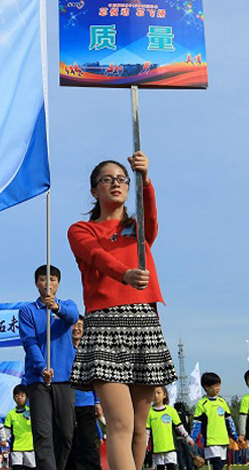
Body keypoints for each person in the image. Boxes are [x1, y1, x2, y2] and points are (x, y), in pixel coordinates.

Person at [68, 152, 176, 470]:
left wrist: (144, 179)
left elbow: (151, 216)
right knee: (120, 422)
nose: (116, 183)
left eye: (121, 179)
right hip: (105, 325)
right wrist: (124, 274)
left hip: (144, 322)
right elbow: (97, 256)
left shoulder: (138, 229)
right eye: (107, 179)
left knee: (139, 429)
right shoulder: (80, 230)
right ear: (93, 190)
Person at [18, 264, 80, 470]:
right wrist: (42, 366)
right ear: (37, 283)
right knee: (43, 433)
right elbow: (29, 342)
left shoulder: (66, 306)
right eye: (43, 279)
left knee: (66, 433)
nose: (48, 283)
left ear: (58, 284)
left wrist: (56, 308)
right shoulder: (27, 310)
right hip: (39, 380)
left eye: (52, 279)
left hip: (64, 379)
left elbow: (73, 316)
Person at [67, 317, 102, 470]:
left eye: (80, 325)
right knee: (69, 444)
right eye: (74, 325)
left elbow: (95, 379)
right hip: (67, 404)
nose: (76, 328)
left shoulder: (89, 351)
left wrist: (97, 402)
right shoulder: (64, 351)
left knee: (87, 444)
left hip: (86, 404)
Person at [191, 373, 238, 470]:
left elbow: (229, 421)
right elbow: (197, 423)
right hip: (211, 440)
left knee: (221, 464)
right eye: (215, 385)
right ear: (206, 387)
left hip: (223, 440)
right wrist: (193, 438)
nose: (218, 388)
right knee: (216, 463)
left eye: (219, 385)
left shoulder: (222, 402)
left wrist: (235, 436)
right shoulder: (202, 404)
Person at [147, 387, 194, 470]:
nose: (156, 395)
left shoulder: (171, 411)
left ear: (164, 395)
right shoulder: (149, 412)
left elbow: (179, 427)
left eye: (158, 393)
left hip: (171, 447)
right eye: (153, 393)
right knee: (160, 467)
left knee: (171, 466)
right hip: (157, 448)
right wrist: (144, 444)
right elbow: (146, 431)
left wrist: (187, 438)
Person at [4, 385, 35, 470]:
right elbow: (6, 432)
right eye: (17, 396)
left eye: (22, 396)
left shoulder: (32, 412)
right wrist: (4, 443)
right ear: (14, 398)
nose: (19, 398)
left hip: (30, 448)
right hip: (16, 448)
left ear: (27, 397)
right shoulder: (10, 414)